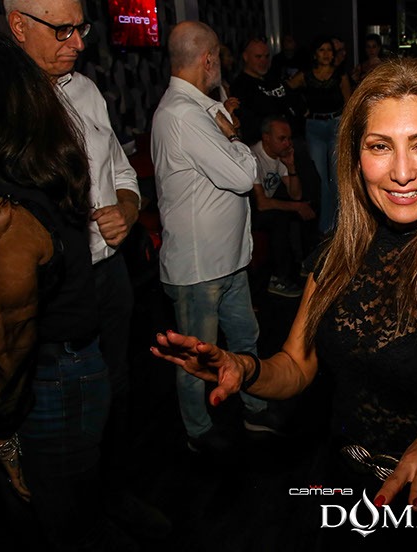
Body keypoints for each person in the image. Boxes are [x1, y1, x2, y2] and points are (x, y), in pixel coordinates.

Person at [152, 57, 417, 549]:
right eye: (380, 146)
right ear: (356, 158)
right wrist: (244, 368)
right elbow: (296, 366)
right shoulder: (339, 253)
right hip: (344, 487)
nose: (401, 172)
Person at [4, 0, 170, 540]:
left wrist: (126, 209)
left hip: (108, 273)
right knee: (54, 412)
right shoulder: (6, 104)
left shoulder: (86, 90)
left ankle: (113, 494)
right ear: (18, 25)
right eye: (63, 30)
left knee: (115, 388)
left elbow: (121, 170)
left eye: (81, 28)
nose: (78, 43)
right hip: (45, 289)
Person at [151, 21, 274, 453]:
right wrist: (235, 135)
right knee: (195, 359)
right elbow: (243, 175)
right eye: (218, 56)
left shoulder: (198, 107)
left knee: (244, 341)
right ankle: (199, 433)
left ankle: (256, 407)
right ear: (208, 59)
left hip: (227, 261)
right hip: (200, 268)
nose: (221, 64)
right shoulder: (183, 115)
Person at [286, 36, 352, 235]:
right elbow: (286, 90)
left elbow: (349, 102)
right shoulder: (306, 75)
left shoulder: (340, 75)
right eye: (322, 50)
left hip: (336, 124)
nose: (326, 54)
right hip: (314, 126)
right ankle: (325, 228)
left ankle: (341, 225)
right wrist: (300, 109)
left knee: (337, 178)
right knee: (320, 179)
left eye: (329, 50)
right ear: (315, 54)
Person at [250, 114, 317, 298]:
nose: (288, 143)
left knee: (305, 205)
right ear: (266, 138)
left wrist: (291, 167)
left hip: (264, 207)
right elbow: (261, 203)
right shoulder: (253, 157)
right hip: (248, 212)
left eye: (289, 138)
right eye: (282, 139)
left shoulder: (278, 157)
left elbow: (296, 195)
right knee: (281, 217)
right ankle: (278, 278)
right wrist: (297, 207)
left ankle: (305, 262)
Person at [230, 36, 300, 144]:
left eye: (267, 56)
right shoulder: (240, 86)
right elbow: (248, 123)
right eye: (258, 57)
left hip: (293, 139)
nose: (263, 61)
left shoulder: (274, 78)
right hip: (264, 145)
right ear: (246, 57)